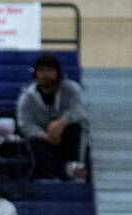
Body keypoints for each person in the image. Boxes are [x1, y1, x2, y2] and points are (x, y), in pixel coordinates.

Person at [17, 53, 90, 181]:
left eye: (49, 70)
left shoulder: (71, 89)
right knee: (32, 143)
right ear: (36, 73)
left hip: (67, 136)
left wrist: (62, 122)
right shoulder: (27, 97)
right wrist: (45, 135)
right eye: (41, 70)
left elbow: (82, 109)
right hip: (45, 139)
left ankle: (76, 171)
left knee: (75, 129)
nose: (45, 74)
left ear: (57, 72)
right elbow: (25, 124)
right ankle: (64, 171)